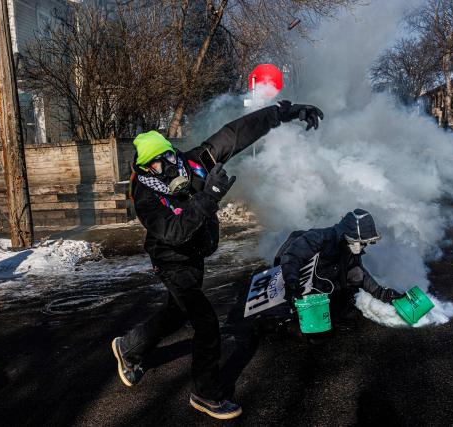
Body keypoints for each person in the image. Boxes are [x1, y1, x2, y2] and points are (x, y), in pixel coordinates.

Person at [111, 101, 324, 420]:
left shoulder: (196, 161)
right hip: (171, 260)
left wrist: (285, 112)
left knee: (176, 314)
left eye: (167, 158)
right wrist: (209, 196)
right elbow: (173, 232)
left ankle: (130, 347)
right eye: (155, 165)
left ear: (174, 152)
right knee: (206, 322)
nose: (165, 168)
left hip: (194, 254)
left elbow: (237, 133)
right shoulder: (145, 195)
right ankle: (206, 394)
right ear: (144, 170)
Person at [274, 209, 403, 321]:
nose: (364, 246)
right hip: (298, 280)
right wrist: (292, 285)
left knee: (347, 306)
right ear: (350, 236)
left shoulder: (349, 247)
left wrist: (382, 293)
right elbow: (291, 258)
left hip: (323, 282)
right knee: (304, 325)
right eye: (362, 242)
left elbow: (358, 273)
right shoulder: (320, 237)